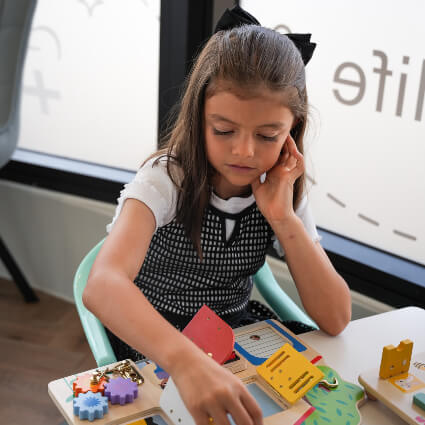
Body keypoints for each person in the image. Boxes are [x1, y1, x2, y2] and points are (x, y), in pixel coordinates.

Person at [83, 6, 351, 425]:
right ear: (197, 118)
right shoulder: (166, 178)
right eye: (223, 130)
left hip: (234, 333)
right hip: (154, 338)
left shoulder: (282, 185)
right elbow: (102, 286)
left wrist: (283, 218)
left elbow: (335, 317)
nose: (244, 151)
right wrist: (186, 361)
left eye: (266, 136)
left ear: (292, 130)